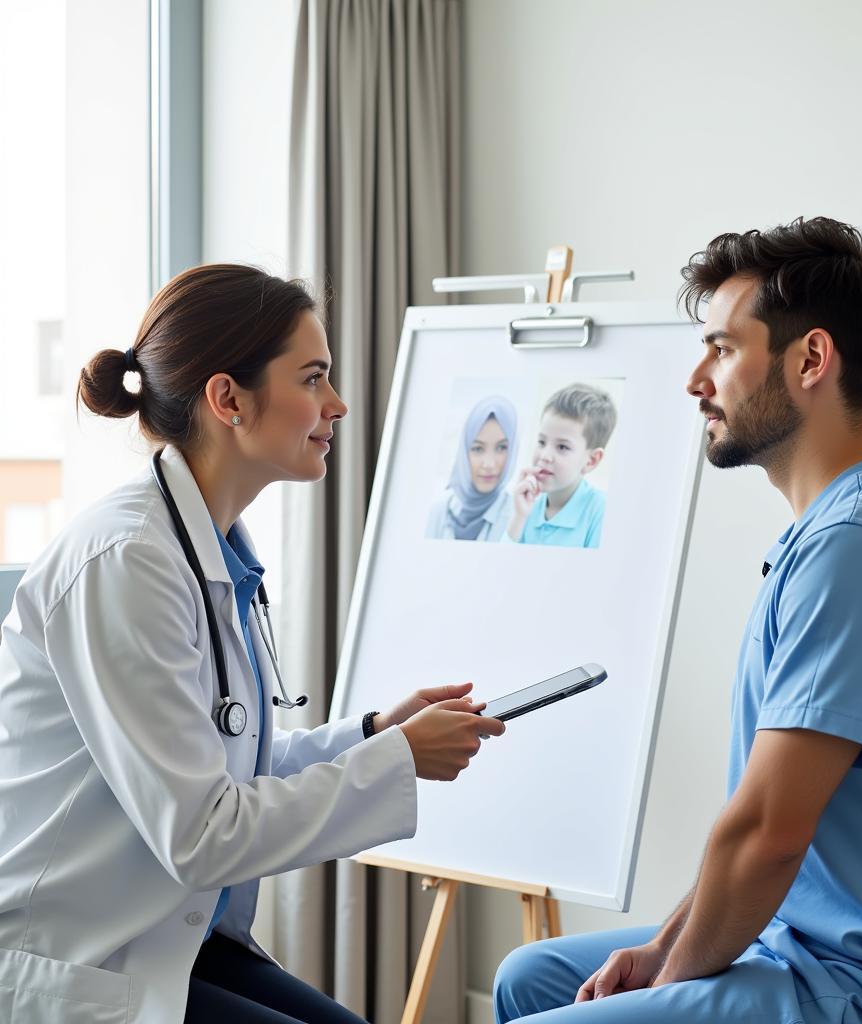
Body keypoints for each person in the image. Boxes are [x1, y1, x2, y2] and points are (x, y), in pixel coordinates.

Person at [493, 217, 862, 1023]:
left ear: (811, 359)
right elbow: (756, 817)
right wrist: (666, 943)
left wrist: (673, 981)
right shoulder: (836, 532)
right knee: (531, 977)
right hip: (802, 945)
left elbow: (770, 833)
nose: (696, 379)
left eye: (723, 349)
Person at [0, 264, 506, 1024]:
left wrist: (372, 735)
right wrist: (398, 761)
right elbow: (203, 833)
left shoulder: (206, 547)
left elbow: (230, 768)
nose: (336, 405)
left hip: (168, 936)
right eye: (313, 378)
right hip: (77, 955)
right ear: (227, 399)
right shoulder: (127, 561)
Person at [504, 383, 617, 550]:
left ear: (591, 460)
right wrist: (519, 516)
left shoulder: (601, 512)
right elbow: (499, 568)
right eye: (542, 442)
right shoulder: (528, 504)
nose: (545, 456)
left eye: (562, 447)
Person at [425, 395, 518, 541]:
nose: (489, 464)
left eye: (501, 448)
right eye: (478, 449)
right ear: (463, 451)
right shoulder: (438, 512)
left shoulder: (518, 517)